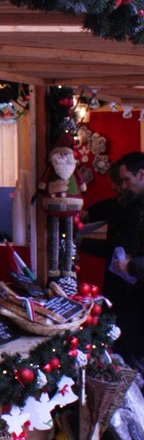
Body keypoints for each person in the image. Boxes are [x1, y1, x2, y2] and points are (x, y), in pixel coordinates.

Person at [83, 152, 144, 366]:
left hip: (135, 300)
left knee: (131, 360)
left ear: (142, 175)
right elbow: (112, 207)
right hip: (122, 295)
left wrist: (133, 266)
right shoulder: (132, 202)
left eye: (126, 179)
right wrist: (88, 214)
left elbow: (116, 246)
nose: (123, 186)